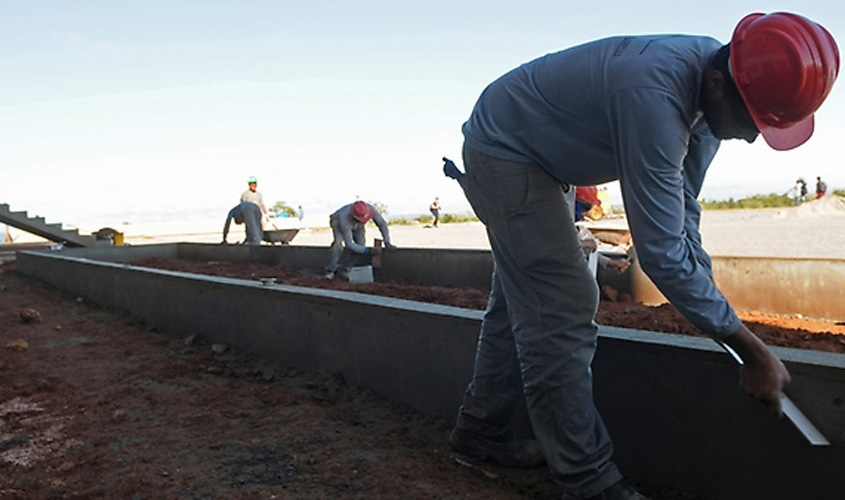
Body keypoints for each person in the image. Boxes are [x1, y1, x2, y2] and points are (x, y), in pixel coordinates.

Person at [443, 12, 837, 500]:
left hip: (540, 153)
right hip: (506, 149)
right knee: (561, 303)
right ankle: (589, 481)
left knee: (523, 302)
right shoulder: (655, 98)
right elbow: (660, 252)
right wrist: (748, 345)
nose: (753, 137)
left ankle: (480, 432)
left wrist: (715, 307)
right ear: (718, 82)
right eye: (750, 122)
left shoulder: (716, 87)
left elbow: (682, 217)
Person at [325, 201, 393, 278]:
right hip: (337, 221)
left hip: (358, 226)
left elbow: (382, 224)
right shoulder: (344, 219)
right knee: (338, 244)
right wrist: (368, 251)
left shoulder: (370, 209)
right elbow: (350, 244)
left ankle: (345, 269)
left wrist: (387, 241)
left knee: (361, 245)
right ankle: (330, 270)